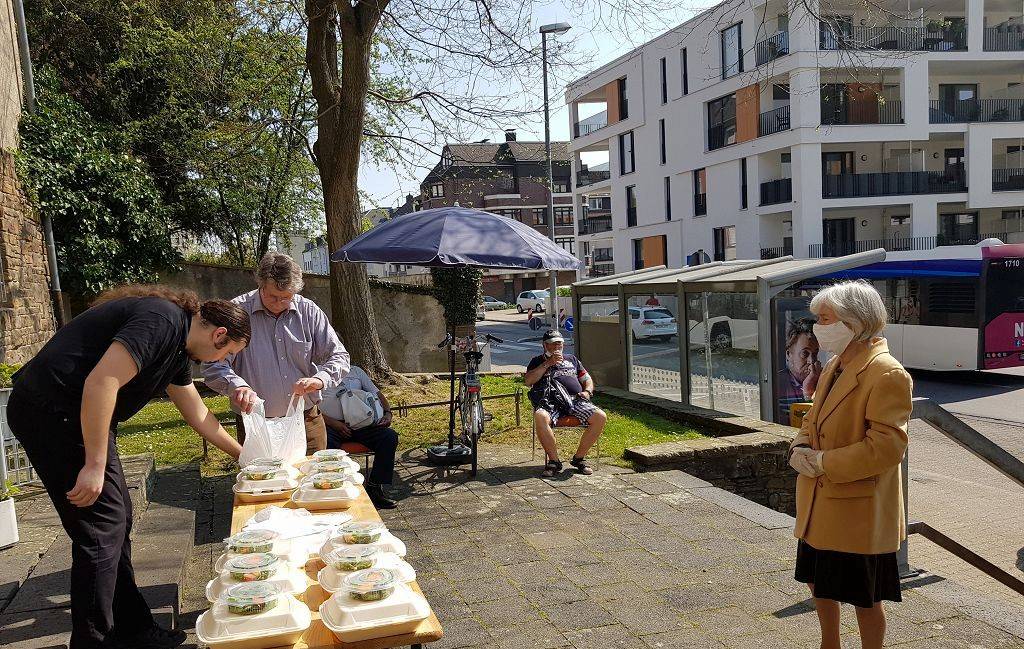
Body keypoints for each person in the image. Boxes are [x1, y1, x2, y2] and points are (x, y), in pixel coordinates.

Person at [7, 286, 251, 649]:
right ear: (218, 335)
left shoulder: (176, 348)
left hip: (76, 418)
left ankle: (131, 626)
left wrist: (246, 457)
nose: (219, 361)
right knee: (99, 529)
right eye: (227, 353)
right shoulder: (161, 321)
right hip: (50, 413)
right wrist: (93, 464)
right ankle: (94, 640)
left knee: (117, 519)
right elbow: (101, 381)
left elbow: (197, 414)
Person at [788, 280, 912, 649]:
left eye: (825, 319)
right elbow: (813, 419)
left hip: (858, 508)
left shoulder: (886, 372)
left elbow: (887, 447)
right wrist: (799, 448)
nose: (817, 327)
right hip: (820, 502)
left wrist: (824, 461)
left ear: (855, 321)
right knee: (818, 582)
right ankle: (831, 644)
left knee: (864, 597)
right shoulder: (837, 364)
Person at [203, 252, 350, 456]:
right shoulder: (236, 312)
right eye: (273, 296)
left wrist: (320, 379)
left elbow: (339, 356)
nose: (280, 303)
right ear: (260, 284)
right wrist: (238, 386)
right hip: (256, 424)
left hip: (307, 420)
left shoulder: (309, 312)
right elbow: (212, 364)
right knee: (263, 485)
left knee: (312, 483)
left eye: (287, 298)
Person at [524, 329, 607, 477]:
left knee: (600, 416)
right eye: (553, 344)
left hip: (575, 400)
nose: (558, 347)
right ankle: (554, 461)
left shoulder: (572, 359)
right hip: (551, 401)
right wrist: (548, 363)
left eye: (560, 343)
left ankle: (579, 459)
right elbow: (529, 381)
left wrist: (587, 391)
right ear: (545, 345)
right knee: (540, 416)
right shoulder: (537, 361)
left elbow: (586, 378)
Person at [319, 365, 399, 509]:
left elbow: (378, 394)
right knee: (326, 446)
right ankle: (333, 490)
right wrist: (335, 424)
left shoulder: (355, 371)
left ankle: (375, 489)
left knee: (389, 437)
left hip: (361, 424)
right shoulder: (316, 372)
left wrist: (388, 413)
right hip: (331, 425)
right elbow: (312, 408)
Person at [776, 317, 822, 422]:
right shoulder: (777, 384)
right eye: (805, 353)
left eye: (815, 353)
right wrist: (808, 393)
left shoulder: (823, 380)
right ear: (789, 354)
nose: (811, 360)